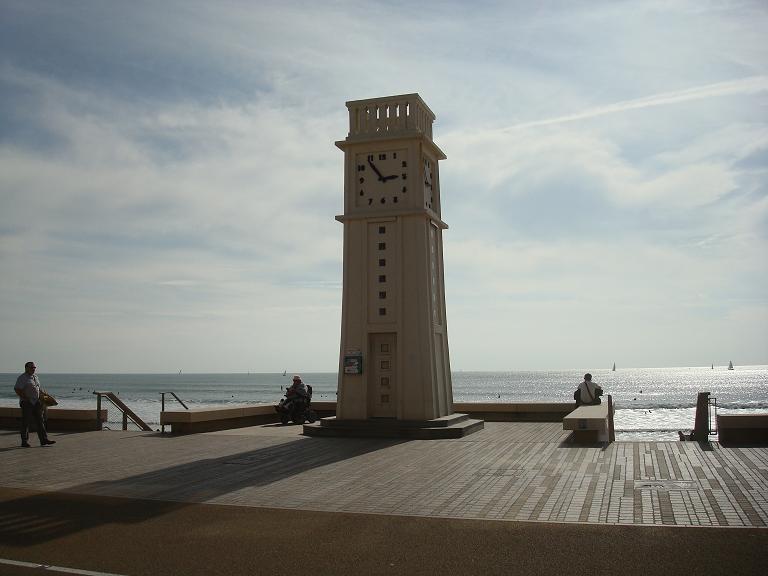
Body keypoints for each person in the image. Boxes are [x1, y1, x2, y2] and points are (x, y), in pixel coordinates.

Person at [14, 361, 55, 447]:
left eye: (34, 368)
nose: (33, 369)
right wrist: (26, 398)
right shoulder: (22, 378)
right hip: (27, 403)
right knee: (26, 422)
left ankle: (44, 440)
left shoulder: (35, 377)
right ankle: (24, 441)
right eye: (31, 367)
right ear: (26, 368)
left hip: (37, 402)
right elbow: (17, 389)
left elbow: (38, 389)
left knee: (40, 421)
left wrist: (45, 397)